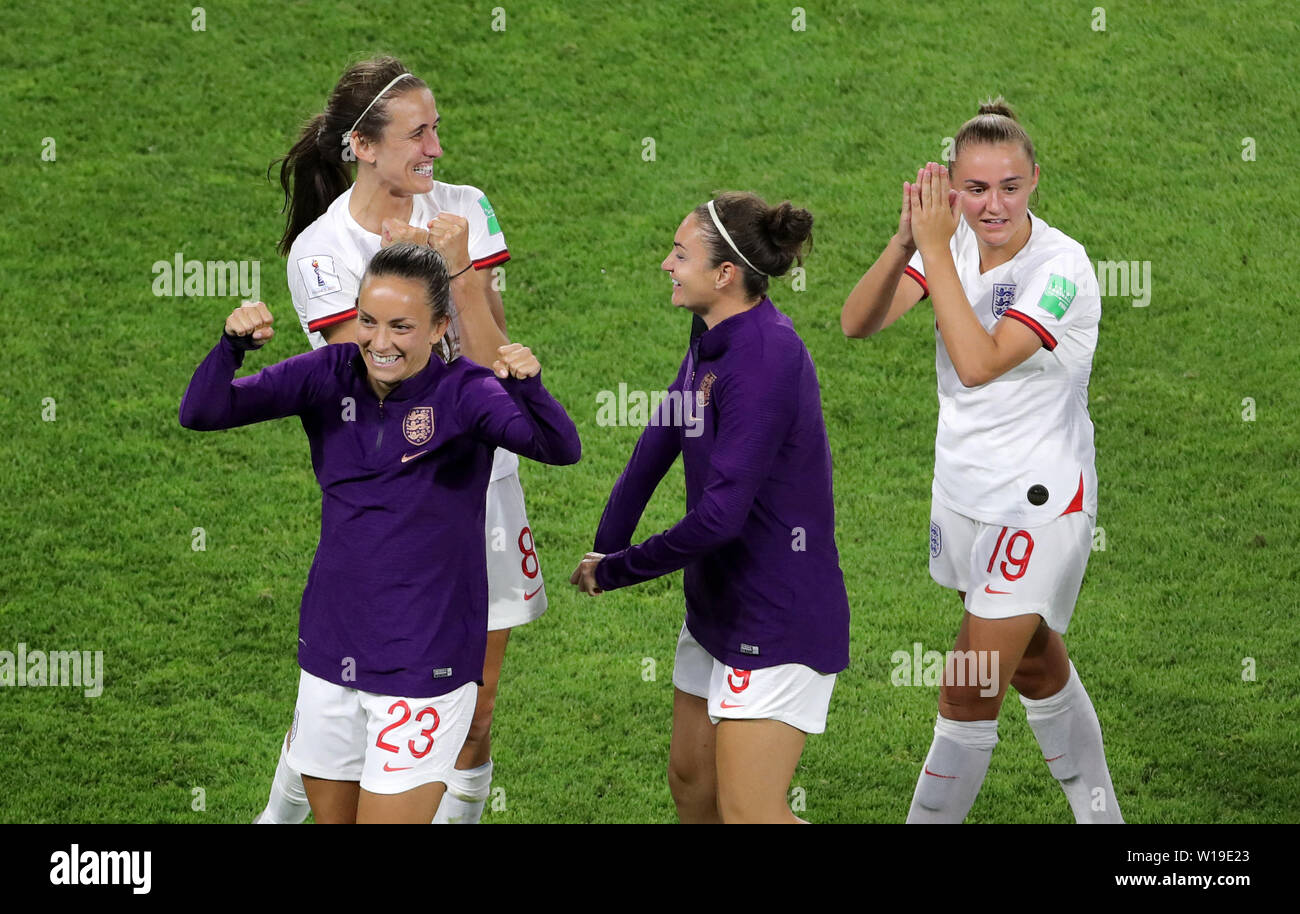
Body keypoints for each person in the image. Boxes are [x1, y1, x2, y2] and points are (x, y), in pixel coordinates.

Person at [179, 242, 580, 824]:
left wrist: (530, 388)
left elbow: (559, 448)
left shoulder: (466, 394)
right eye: (368, 321)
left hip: (425, 663)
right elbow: (203, 411)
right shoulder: (329, 373)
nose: (379, 342)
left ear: (440, 326)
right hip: (331, 650)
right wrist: (230, 347)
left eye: (401, 326)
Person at [258, 56, 537, 824]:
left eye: (437, 128)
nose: (436, 149)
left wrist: (467, 277)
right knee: (352, 696)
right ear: (363, 146)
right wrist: (438, 280)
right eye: (419, 133)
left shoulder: (464, 208)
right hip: (393, 500)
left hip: (482, 488)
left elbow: (490, 370)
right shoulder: (320, 254)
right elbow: (381, 383)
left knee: (474, 708)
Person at [841, 98, 1122, 823]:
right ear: (951, 189)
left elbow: (978, 363)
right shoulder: (951, 244)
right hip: (964, 496)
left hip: (1038, 503)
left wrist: (937, 250)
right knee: (1033, 662)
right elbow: (857, 322)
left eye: (1008, 187)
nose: (991, 205)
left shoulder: (1061, 269)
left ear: (1035, 180)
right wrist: (907, 242)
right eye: (973, 189)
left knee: (966, 692)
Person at [572, 192, 850, 824]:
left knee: (750, 812)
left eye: (680, 253)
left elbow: (721, 517)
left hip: (776, 615)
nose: (666, 264)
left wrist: (617, 570)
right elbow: (664, 432)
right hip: (718, 604)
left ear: (725, 274)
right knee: (694, 786)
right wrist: (605, 543)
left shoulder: (765, 358)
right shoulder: (713, 332)